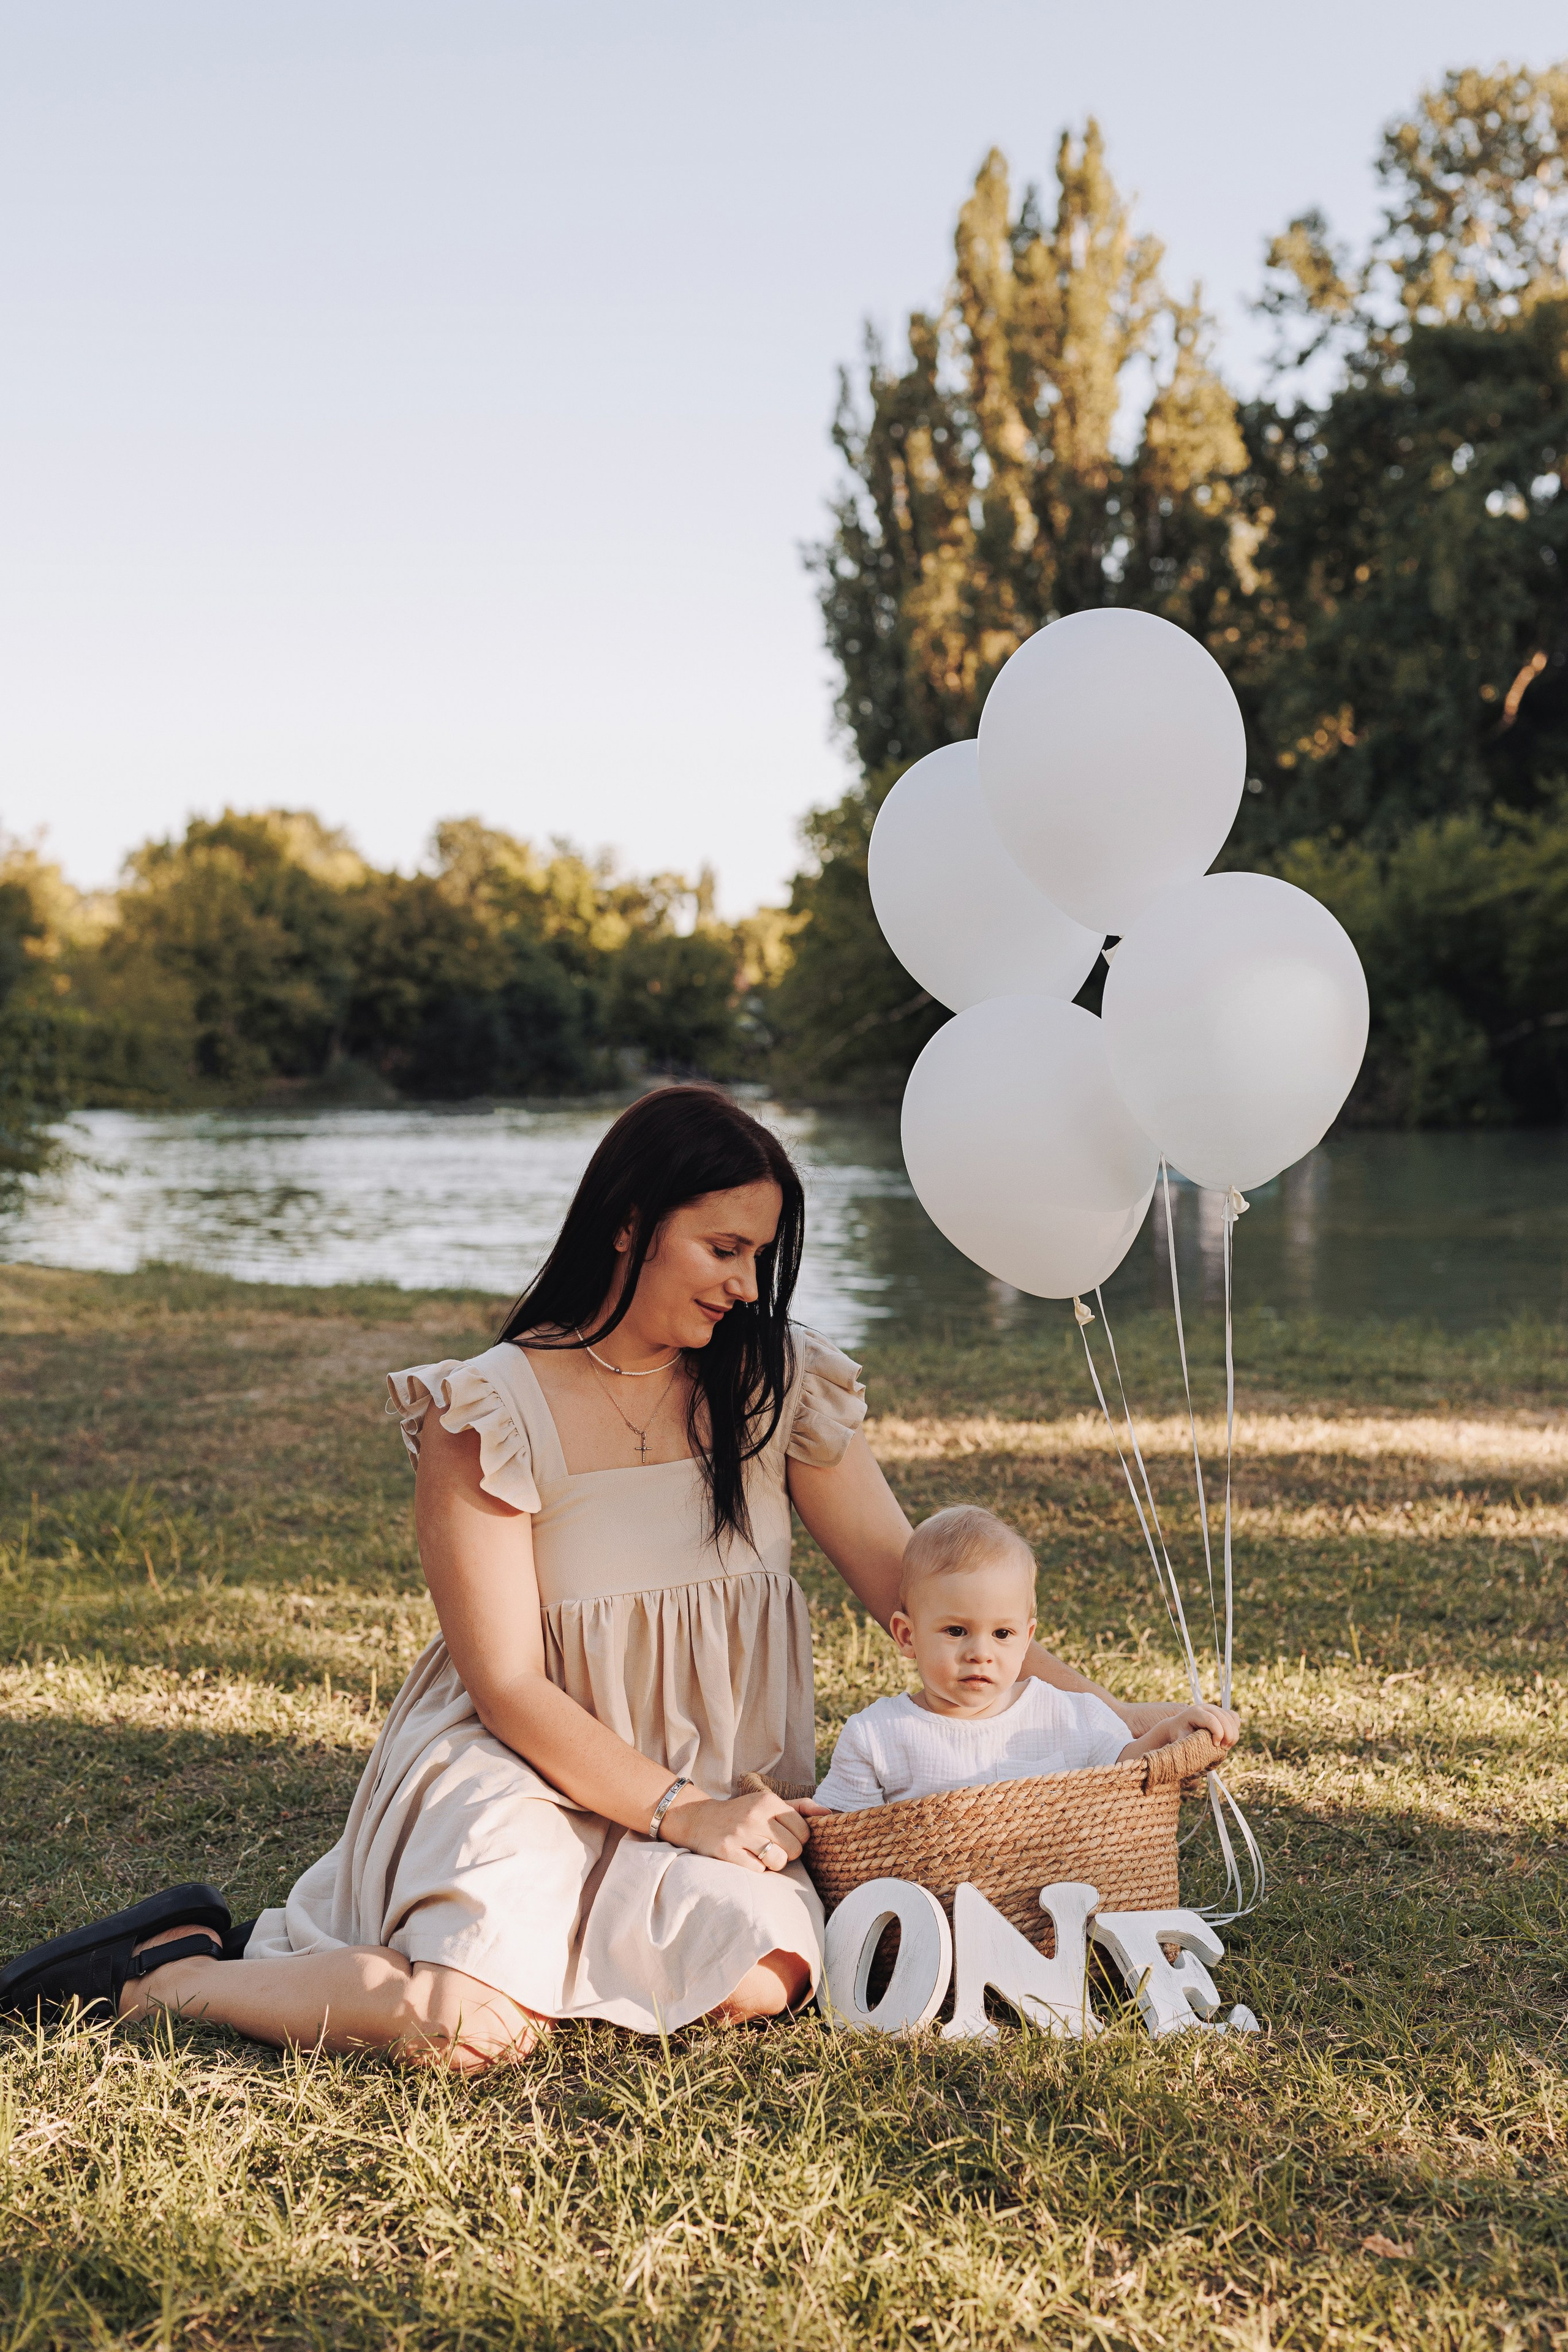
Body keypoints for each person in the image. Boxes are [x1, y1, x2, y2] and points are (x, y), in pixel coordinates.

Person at [0, 1089, 1237, 2068]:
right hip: (524, 1762)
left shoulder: (772, 1382)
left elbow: (904, 1581)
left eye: (760, 1255)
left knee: (765, 1983)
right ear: (627, 1223)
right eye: (722, 1247)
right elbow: (507, 1686)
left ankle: (538, 1948)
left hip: (714, 1771)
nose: (745, 1285)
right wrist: (676, 1813)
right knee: (465, 2031)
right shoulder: (486, 1411)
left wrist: (1120, 1720)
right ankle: (180, 1976)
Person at [813, 1504, 1236, 1811]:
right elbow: (847, 1840)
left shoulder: (1066, 1715)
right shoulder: (877, 1736)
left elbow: (1125, 1770)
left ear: (1027, 1637)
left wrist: (1168, 1734)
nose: (980, 1653)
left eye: (1002, 1634)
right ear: (907, 1636)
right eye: (956, 1631)